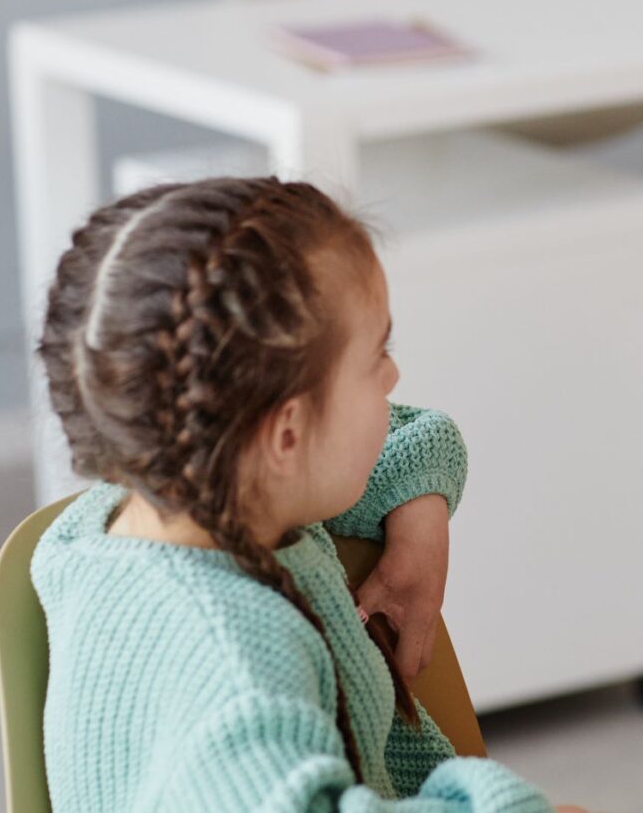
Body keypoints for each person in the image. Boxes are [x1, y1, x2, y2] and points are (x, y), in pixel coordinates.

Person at [31, 176, 575, 811]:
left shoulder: (166, 499)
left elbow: (409, 435)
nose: (394, 377)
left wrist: (419, 512)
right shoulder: (233, 663)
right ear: (287, 433)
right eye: (378, 357)